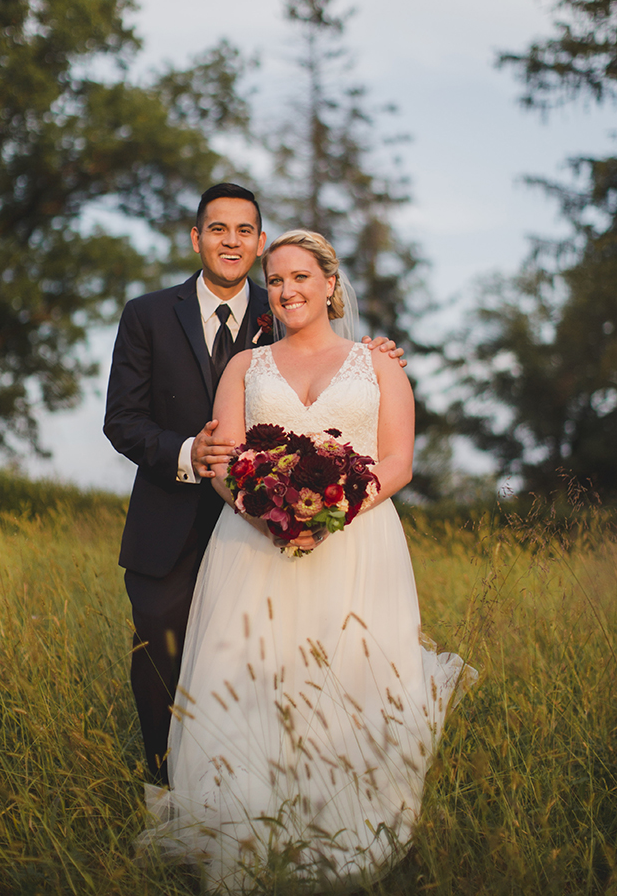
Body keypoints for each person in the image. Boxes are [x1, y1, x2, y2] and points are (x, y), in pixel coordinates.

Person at [138, 229, 476, 889]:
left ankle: (347, 833)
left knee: (350, 682)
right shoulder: (246, 367)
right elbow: (224, 463)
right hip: (252, 546)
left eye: (301, 276)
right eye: (278, 279)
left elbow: (399, 460)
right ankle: (244, 833)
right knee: (251, 682)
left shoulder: (378, 364)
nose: (288, 289)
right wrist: (272, 515)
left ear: (329, 283)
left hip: (357, 540)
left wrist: (330, 515)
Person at [103, 185, 404, 783]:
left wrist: (370, 356)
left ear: (260, 242)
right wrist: (191, 452)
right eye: (218, 229)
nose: (231, 241)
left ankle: (280, 786)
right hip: (173, 515)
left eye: (244, 231)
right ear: (197, 238)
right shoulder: (147, 315)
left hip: (284, 525)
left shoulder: (288, 302)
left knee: (275, 662)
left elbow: (332, 361)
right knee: (162, 653)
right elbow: (123, 419)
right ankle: (166, 783)